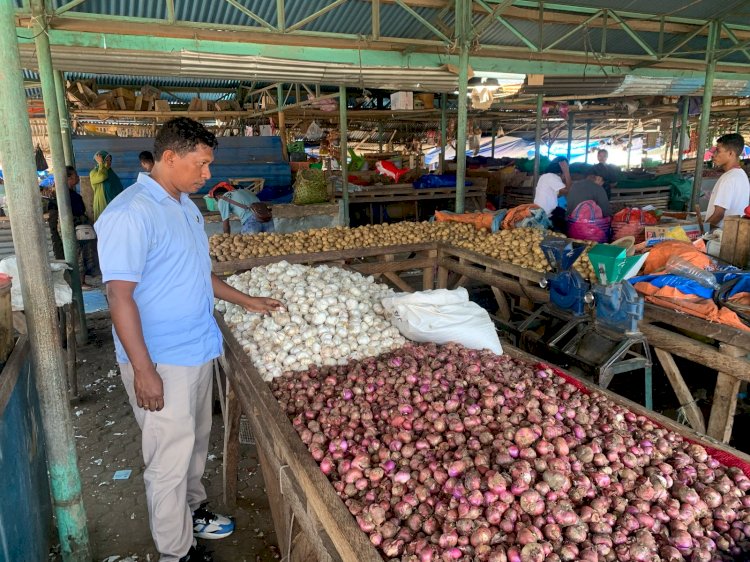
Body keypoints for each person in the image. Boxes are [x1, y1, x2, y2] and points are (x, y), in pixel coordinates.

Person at [95, 117, 284, 562]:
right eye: (201, 165)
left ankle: (194, 511)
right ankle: (176, 552)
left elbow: (199, 274)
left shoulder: (184, 206)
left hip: (197, 346)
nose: (208, 175)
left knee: (195, 442)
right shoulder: (129, 213)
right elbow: (118, 296)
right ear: (169, 158)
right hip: (161, 359)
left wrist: (246, 299)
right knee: (167, 461)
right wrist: (143, 370)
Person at [47, 166, 97, 288]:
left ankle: (77, 281)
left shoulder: (63, 194)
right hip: (71, 229)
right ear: (68, 178)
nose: (78, 178)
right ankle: (79, 282)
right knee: (77, 255)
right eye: (75, 175)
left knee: (77, 254)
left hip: (71, 229)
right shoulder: (64, 196)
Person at [705, 133, 750, 229]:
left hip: (720, 236)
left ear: (731, 153)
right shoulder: (741, 174)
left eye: (718, 151)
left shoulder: (729, 178)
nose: (714, 155)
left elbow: (718, 215)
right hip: (733, 233)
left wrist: (701, 233)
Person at [208, 183, 274, 234]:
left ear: (217, 196)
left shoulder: (222, 199)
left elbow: (226, 225)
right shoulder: (244, 191)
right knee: (270, 247)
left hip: (252, 221)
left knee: (249, 248)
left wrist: (226, 239)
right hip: (267, 217)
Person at [90, 150, 124, 222]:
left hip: (114, 203)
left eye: (110, 160)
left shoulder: (111, 172)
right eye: (106, 160)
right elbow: (102, 177)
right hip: (103, 202)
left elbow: (118, 187)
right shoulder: (93, 173)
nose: (109, 162)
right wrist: (101, 164)